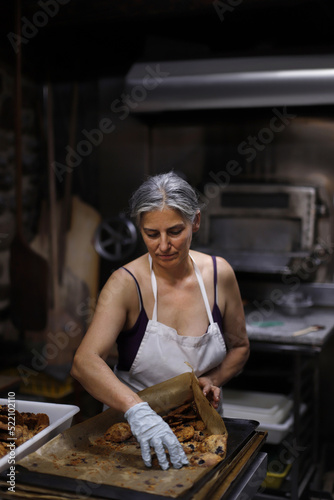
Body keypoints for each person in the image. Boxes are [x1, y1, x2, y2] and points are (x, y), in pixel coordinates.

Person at [71, 171, 249, 471]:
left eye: (175, 231)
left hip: (200, 429)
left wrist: (212, 380)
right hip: (133, 433)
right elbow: (85, 361)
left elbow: (240, 347)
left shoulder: (220, 276)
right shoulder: (125, 284)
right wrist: (137, 410)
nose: (163, 246)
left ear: (196, 222)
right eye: (151, 234)